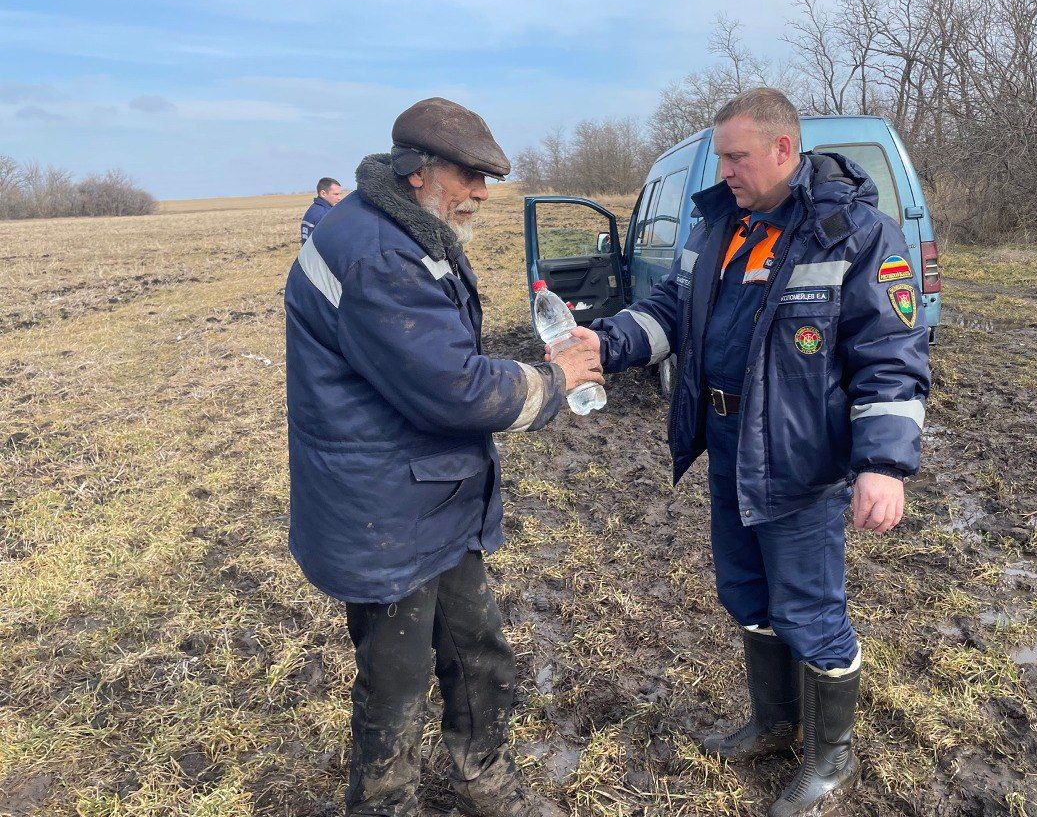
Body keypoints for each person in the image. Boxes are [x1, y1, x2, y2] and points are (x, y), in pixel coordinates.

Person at [572, 88, 930, 816]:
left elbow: (891, 354)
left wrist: (883, 465)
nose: (726, 169)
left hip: (800, 457)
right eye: (721, 155)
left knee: (809, 607)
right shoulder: (719, 226)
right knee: (746, 592)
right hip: (729, 441)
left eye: (736, 156)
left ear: (782, 151)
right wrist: (605, 344)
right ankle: (774, 725)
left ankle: (833, 759)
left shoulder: (854, 234)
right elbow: (673, 310)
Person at [284, 97, 600, 817]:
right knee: (396, 678)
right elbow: (452, 388)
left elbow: (432, 361)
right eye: (473, 176)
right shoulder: (376, 251)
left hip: (429, 494)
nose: (484, 193)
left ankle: (479, 775)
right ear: (421, 171)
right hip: (384, 507)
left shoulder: (399, 226)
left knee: (477, 648)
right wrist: (555, 381)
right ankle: (386, 802)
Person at [300, 177, 344, 243]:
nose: (339, 198)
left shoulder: (313, 209)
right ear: (323, 193)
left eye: (340, 194)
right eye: (336, 194)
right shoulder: (324, 215)